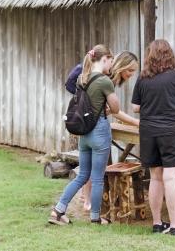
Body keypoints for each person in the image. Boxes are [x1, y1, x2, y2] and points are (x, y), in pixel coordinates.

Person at [131, 39, 175, 237]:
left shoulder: (143, 78)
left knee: (156, 178)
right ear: (170, 55)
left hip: (149, 131)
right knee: (171, 177)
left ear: (150, 56)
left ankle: (157, 223)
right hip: (173, 131)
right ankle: (174, 226)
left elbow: (136, 108)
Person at [50, 45, 117, 225]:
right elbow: (116, 108)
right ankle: (95, 217)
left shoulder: (81, 78)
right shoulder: (104, 81)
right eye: (111, 61)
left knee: (82, 176)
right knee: (97, 178)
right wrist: (108, 109)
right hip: (99, 131)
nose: (112, 65)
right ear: (104, 59)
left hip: (84, 133)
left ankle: (58, 210)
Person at [76, 51, 141, 213]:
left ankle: (86, 197)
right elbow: (115, 110)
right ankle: (88, 201)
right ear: (122, 66)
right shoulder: (107, 79)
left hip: (87, 123)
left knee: (91, 164)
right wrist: (136, 122)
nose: (131, 75)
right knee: (95, 166)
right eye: (130, 71)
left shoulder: (108, 77)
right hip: (94, 126)